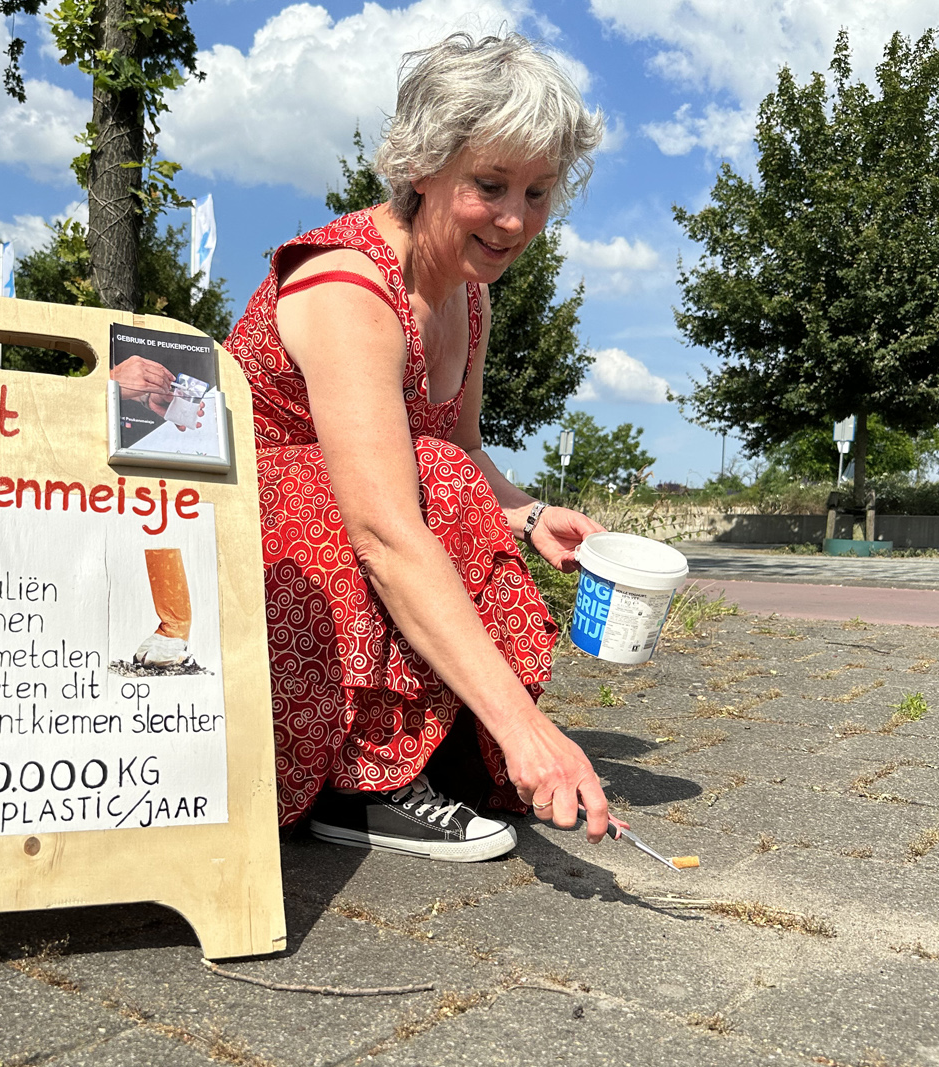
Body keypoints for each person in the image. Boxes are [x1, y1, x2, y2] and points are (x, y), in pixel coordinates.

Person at [225, 32, 611, 862]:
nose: (515, 220)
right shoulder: (347, 287)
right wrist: (524, 727)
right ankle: (362, 783)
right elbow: (387, 532)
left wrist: (531, 513)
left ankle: (419, 750)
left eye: (539, 192)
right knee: (421, 483)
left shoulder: (468, 299)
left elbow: (461, 448)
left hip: (347, 540)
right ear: (424, 167)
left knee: (439, 471)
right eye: (490, 185)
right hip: (246, 560)